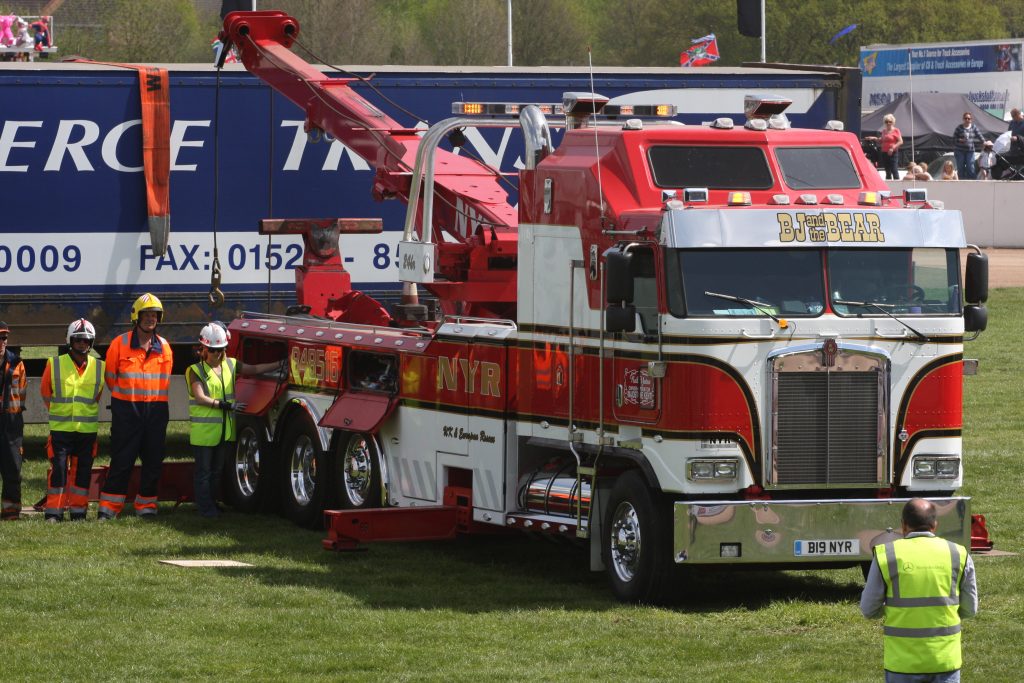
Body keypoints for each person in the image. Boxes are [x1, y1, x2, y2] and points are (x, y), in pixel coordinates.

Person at [861, 498, 978, 682]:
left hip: (902, 663)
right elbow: (970, 609)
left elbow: (868, 609)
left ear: (903, 525)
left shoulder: (887, 555)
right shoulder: (958, 554)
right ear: (935, 525)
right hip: (944, 660)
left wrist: (892, 611)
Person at [98, 293, 173, 519]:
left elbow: (165, 379)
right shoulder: (118, 344)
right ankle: (109, 509)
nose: (151, 319)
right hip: (127, 411)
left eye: (154, 315)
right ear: (136, 317)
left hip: (156, 411)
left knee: (153, 461)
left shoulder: (165, 347)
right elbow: (111, 378)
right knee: (122, 459)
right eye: (146, 314)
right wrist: (127, 400)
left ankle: (146, 507)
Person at [38, 319, 105, 522]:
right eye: (78, 340)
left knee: (82, 473)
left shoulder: (99, 367)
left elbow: (97, 396)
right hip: (61, 429)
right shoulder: (54, 364)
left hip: (86, 430)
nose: (82, 344)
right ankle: (54, 512)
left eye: (86, 341)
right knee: (58, 471)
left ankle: (78, 512)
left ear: (91, 343)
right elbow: (45, 393)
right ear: (70, 341)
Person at [186, 324, 237, 518]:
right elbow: (199, 397)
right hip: (204, 433)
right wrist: (222, 405)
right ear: (204, 349)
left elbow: (254, 368)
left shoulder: (230, 365)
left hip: (224, 431)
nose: (217, 354)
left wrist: (280, 364)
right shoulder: (195, 370)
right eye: (213, 350)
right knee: (204, 472)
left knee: (217, 471)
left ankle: (213, 504)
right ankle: (206, 508)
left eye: (221, 349)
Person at [0, 321, 27, 521]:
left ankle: (11, 510)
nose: (2, 341)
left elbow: (22, 393)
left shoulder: (17, 363)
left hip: (11, 422)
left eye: (4, 338)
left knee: (12, 468)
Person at [865, 114, 904, 180]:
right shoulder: (884, 131)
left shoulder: (896, 130)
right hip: (884, 152)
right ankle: (888, 186)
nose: (888, 123)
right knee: (887, 171)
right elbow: (881, 140)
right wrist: (873, 138)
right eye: (886, 122)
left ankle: (897, 185)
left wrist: (892, 148)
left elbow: (900, 141)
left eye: (890, 121)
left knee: (894, 170)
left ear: (893, 122)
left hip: (893, 153)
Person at [952, 112, 985, 179]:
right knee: (960, 167)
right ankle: (961, 182)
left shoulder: (974, 127)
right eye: (966, 118)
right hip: (959, 151)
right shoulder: (959, 128)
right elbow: (953, 139)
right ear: (963, 119)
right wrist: (960, 140)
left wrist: (984, 142)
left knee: (970, 167)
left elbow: (979, 136)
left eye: (969, 118)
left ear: (971, 120)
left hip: (970, 151)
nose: (967, 120)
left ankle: (973, 182)